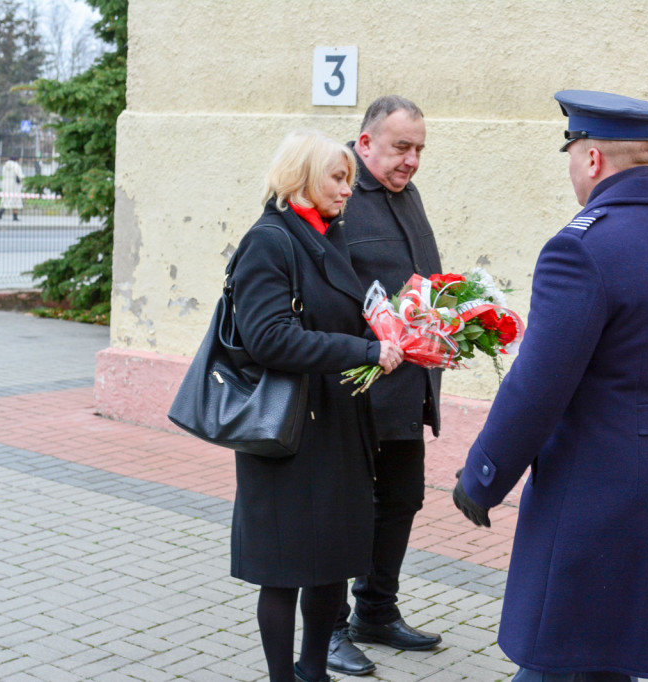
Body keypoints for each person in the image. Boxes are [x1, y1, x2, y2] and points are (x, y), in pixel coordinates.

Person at [453, 90, 648, 681]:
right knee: (608, 660)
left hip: (594, 488)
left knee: (556, 660)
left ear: (593, 159)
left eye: (572, 155)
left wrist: (483, 476)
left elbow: (537, 386)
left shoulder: (581, 248)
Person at [227, 128, 403, 682]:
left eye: (349, 179)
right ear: (301, 176)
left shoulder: (326, 234)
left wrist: (398, 331)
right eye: (338, 177)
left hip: (336, 423)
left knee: (332, 563)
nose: (348, 189)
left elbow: (341, 316)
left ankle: (313, 672)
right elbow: (268, 338)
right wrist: (363, 350)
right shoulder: (270, 240)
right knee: (284, 570)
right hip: (288, 430)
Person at [328, 94, 444, 676]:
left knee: (402, 498)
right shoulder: (336, 190)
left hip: (406, 387)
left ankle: (375, 611)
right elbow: (323, 294)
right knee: (342, 510)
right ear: (366, 142)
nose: (412, 160)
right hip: (352, 390)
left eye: (419, 149)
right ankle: (327, 630)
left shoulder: (408, 194)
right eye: (402, 147)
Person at [0, 155, 23, 221]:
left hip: (6, 185)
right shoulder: (16, 166)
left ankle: (1, 210)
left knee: (6, 199)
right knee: (16, 200)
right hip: (14, 186)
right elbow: (20, 176)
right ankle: (15, 216)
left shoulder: (4, 166)